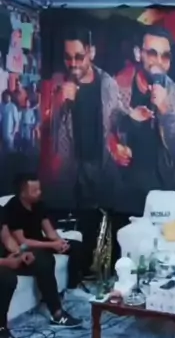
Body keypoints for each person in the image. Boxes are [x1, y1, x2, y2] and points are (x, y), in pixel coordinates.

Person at [41, 26, 126, 209]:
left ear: (91, 52)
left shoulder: (107, 84)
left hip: (103, 170)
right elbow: (49, 134)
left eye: (79, 57)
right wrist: (59, 103)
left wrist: (120, 144)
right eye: (68, 57)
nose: (73, 63)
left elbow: (117, 122)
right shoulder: (57, 85)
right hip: (71, 174)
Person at [113, 23, 175, 211]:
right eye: (152, 53)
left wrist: (165, 108)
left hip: (162, 190)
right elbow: (101, 131)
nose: (159, 61)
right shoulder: (116, 87)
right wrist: (113, 147)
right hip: (121, 190)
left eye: (165, 56)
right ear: (138, 54)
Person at [3, 173, 83, 333]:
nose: (39, 193)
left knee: (76, 247)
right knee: (44, 260)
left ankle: (72, 288)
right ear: (23, 193)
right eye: (34, 191)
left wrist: (59, 242)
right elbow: (22, 241)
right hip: (27, 246)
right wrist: (49, 245)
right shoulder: (13, 208)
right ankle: (57, 314)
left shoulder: (39, 205)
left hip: (29, 246)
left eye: (39, 189)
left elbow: (9, 239)